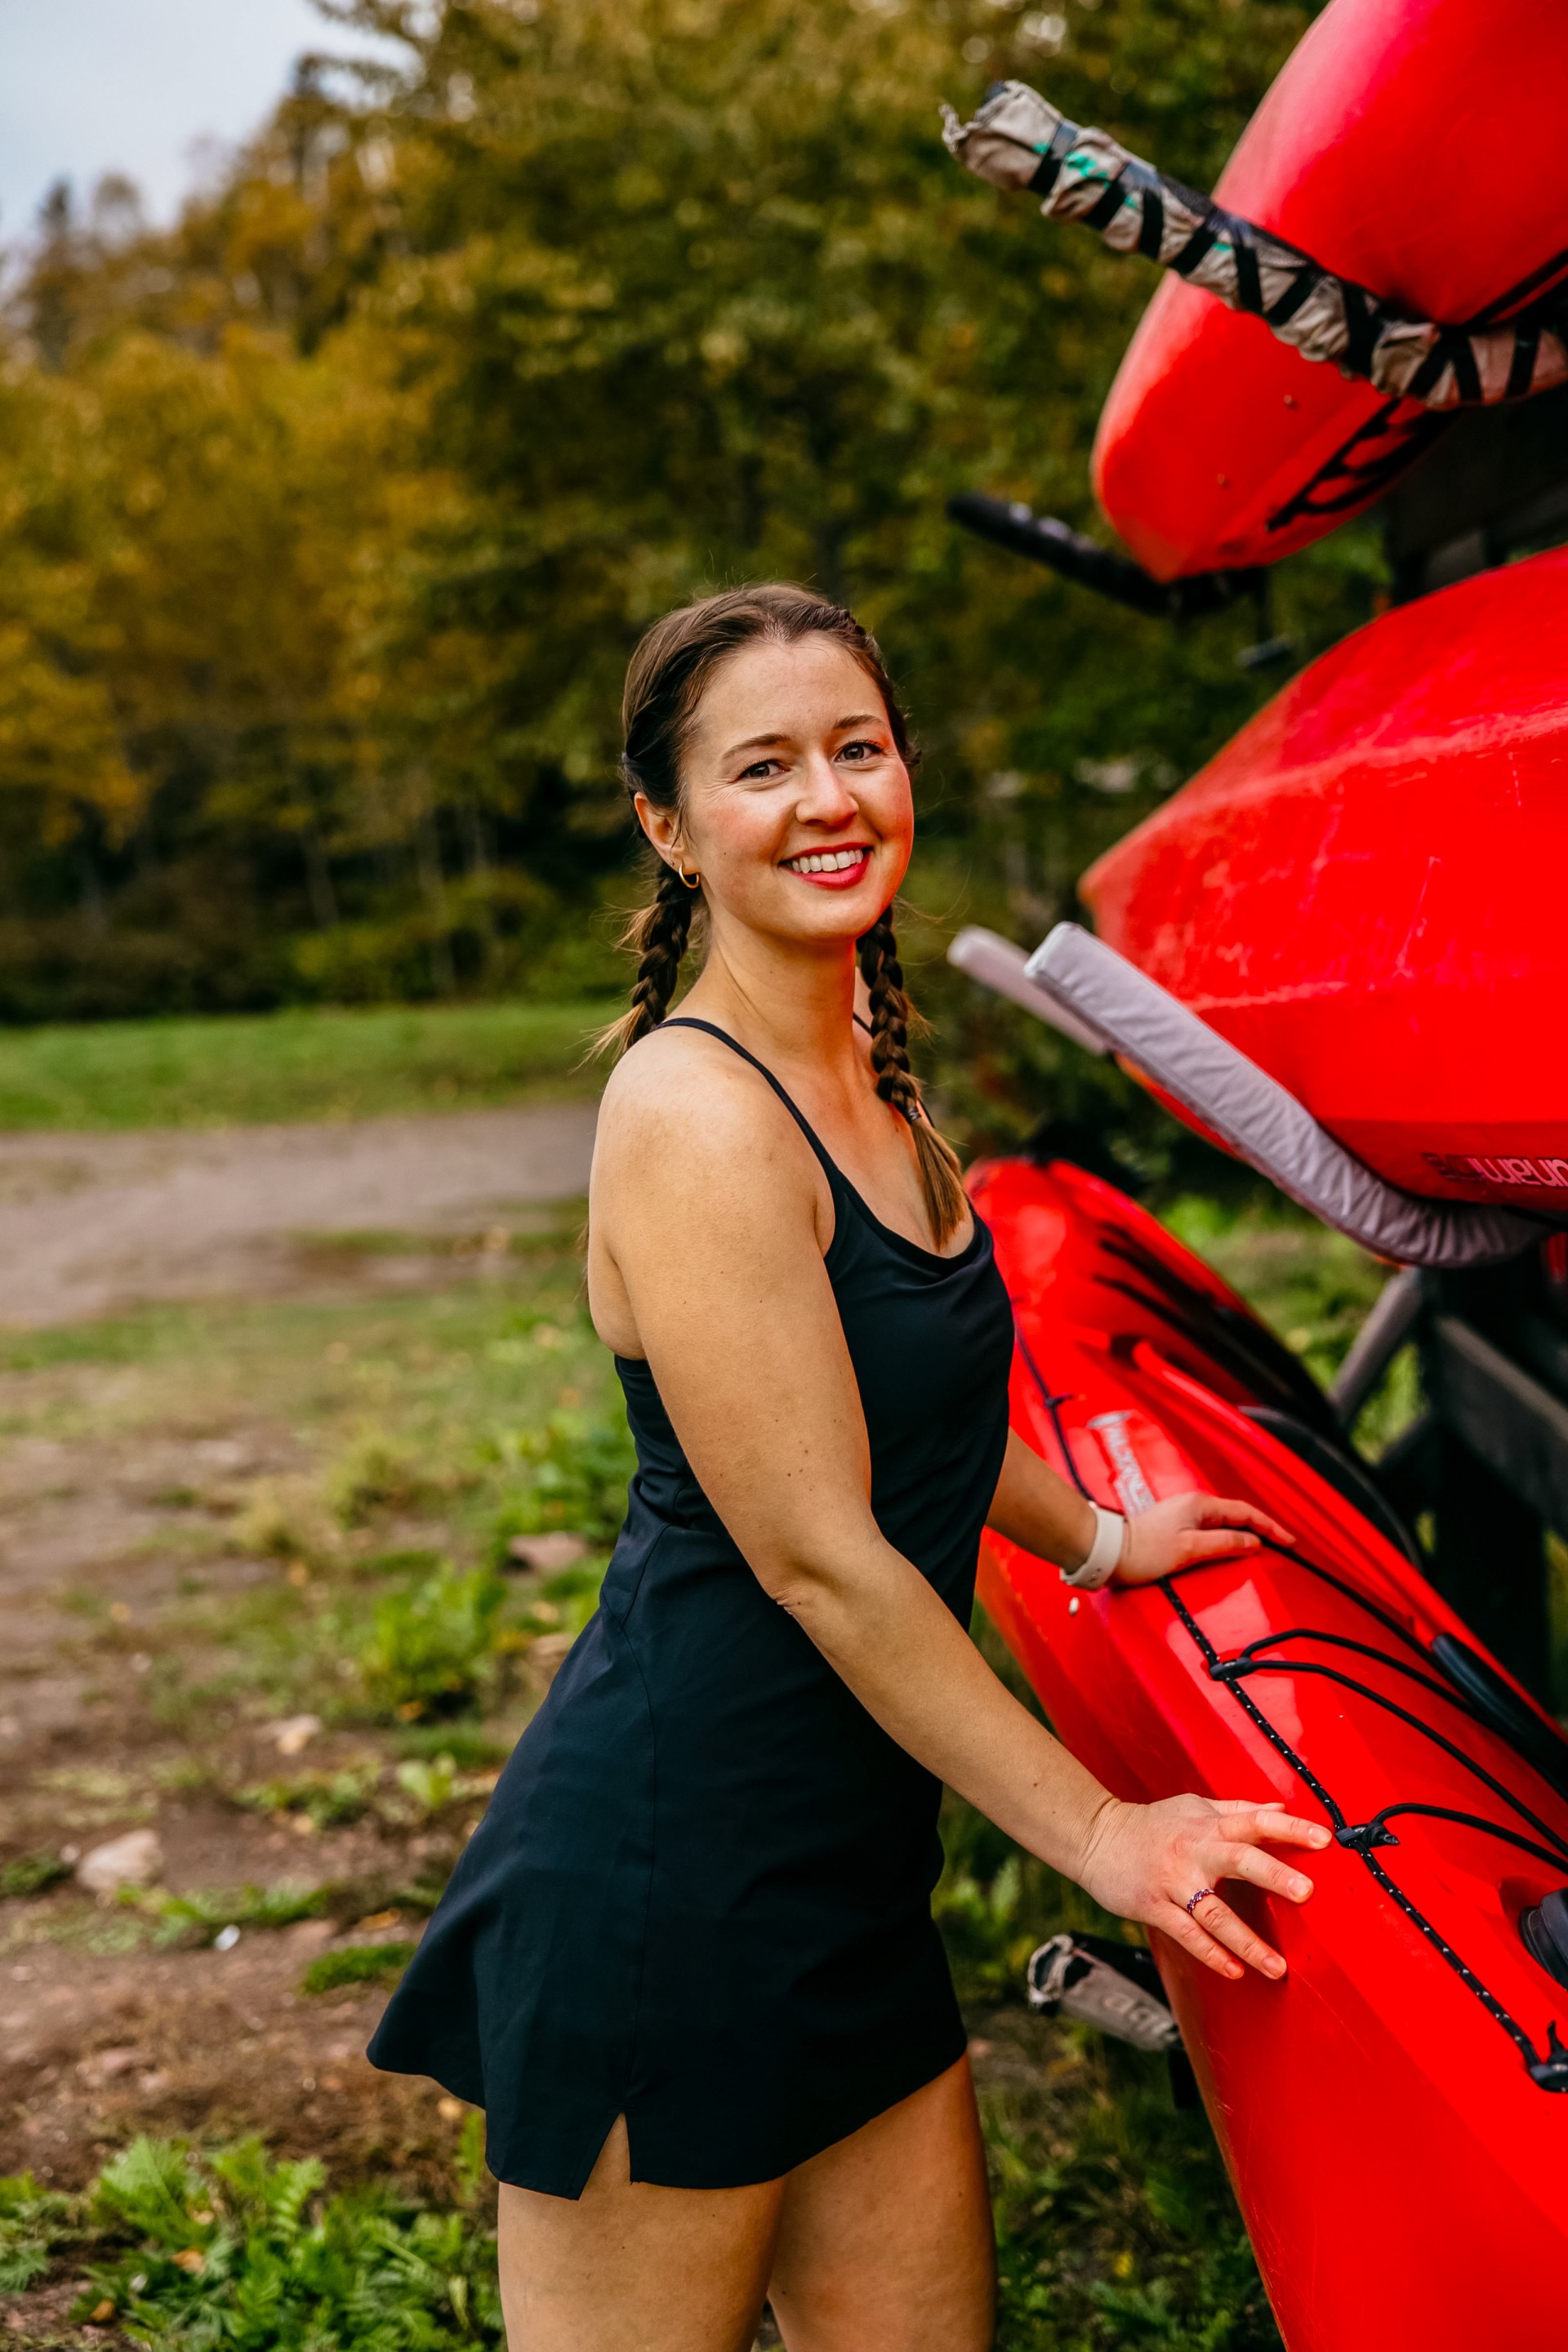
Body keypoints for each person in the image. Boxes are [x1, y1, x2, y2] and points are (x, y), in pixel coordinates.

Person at [368, 584, 1330, 2352]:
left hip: (847, 1888)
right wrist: (1100, 1830)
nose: (830, 798)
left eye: (859, 748)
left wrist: (1108, 1538)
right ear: (669, 829)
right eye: (764, 767)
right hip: (672, 1884)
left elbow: (924, 1412)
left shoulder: (877, 1083)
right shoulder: (693, 1119)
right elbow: (823, 1552)